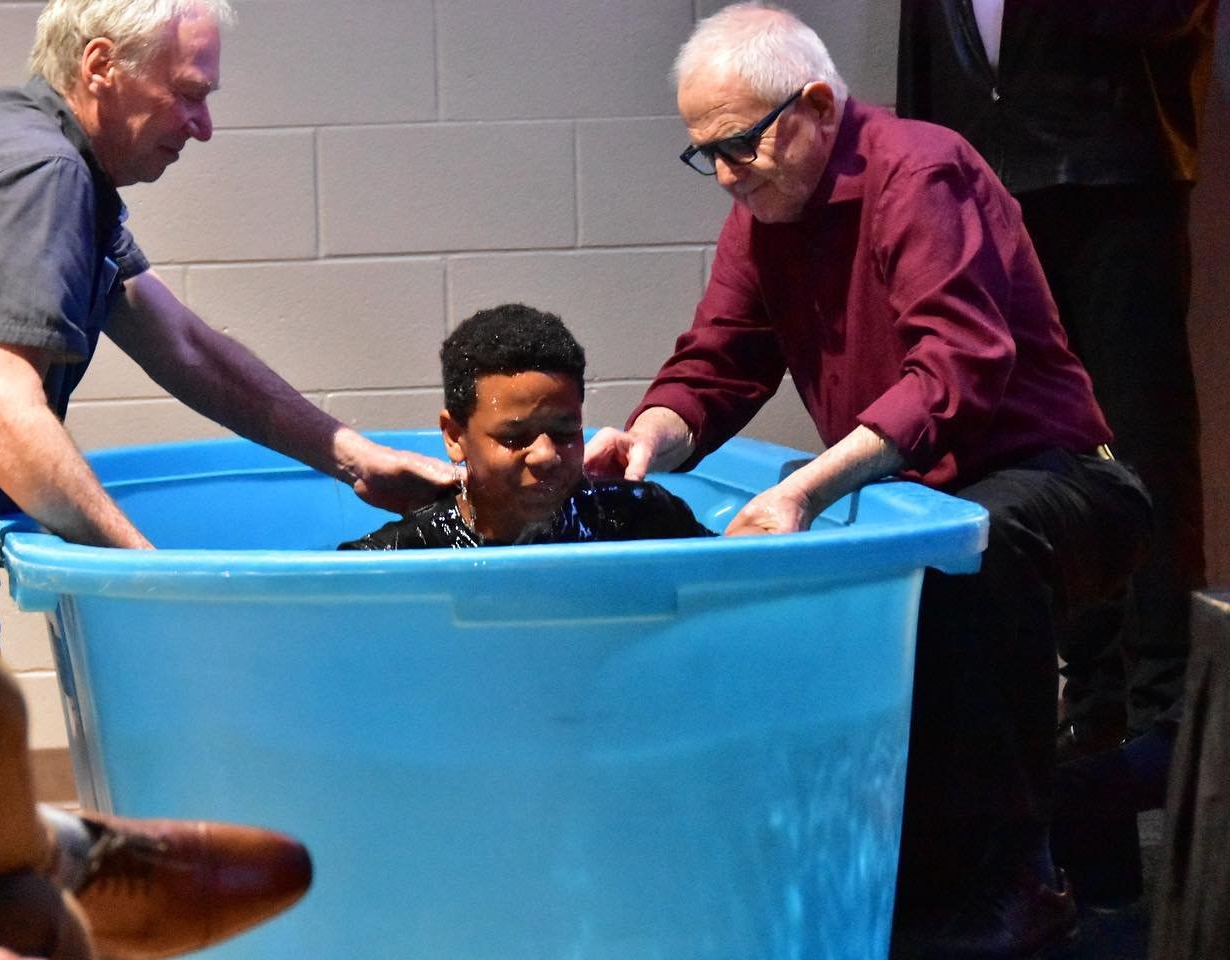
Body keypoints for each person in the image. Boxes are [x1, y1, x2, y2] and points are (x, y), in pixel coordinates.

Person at [582, 5, 1152, 958]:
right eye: (705, 155)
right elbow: (718, 363)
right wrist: (644, 439)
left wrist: (807, 489)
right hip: (919, 495)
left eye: (739, 147)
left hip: (1055, 480)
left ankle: (1015, 883)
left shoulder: (919, 169)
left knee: (964, 550)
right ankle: (873, 864)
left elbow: (957, 370)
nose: (725, 174)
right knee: (883, 555)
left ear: (814, 104)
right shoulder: (762, 210)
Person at [0, 0, 455, 644]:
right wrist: (149, 581)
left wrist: (356, 458)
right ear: (101, 65)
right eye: (188, 94)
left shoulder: (22, 140)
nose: (203, 126)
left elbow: (185, 347)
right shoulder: (45, 174)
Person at [0, 304, 312, 960]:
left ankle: (53, 854)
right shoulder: (33, 199)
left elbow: (180, 338)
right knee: (22, 917)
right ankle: (61, 858)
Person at [896, 0, 1217, 906]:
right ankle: (1093, 714)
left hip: (1114, 166)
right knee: (1041, 441)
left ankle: (1167, 707)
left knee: (1142, 430)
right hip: (986, 179)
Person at [339, 304, 713, 550]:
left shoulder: (639, 518)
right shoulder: (406, 552)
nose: (547, 454)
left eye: (566, 431)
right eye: (514, 437)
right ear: (455, 436)